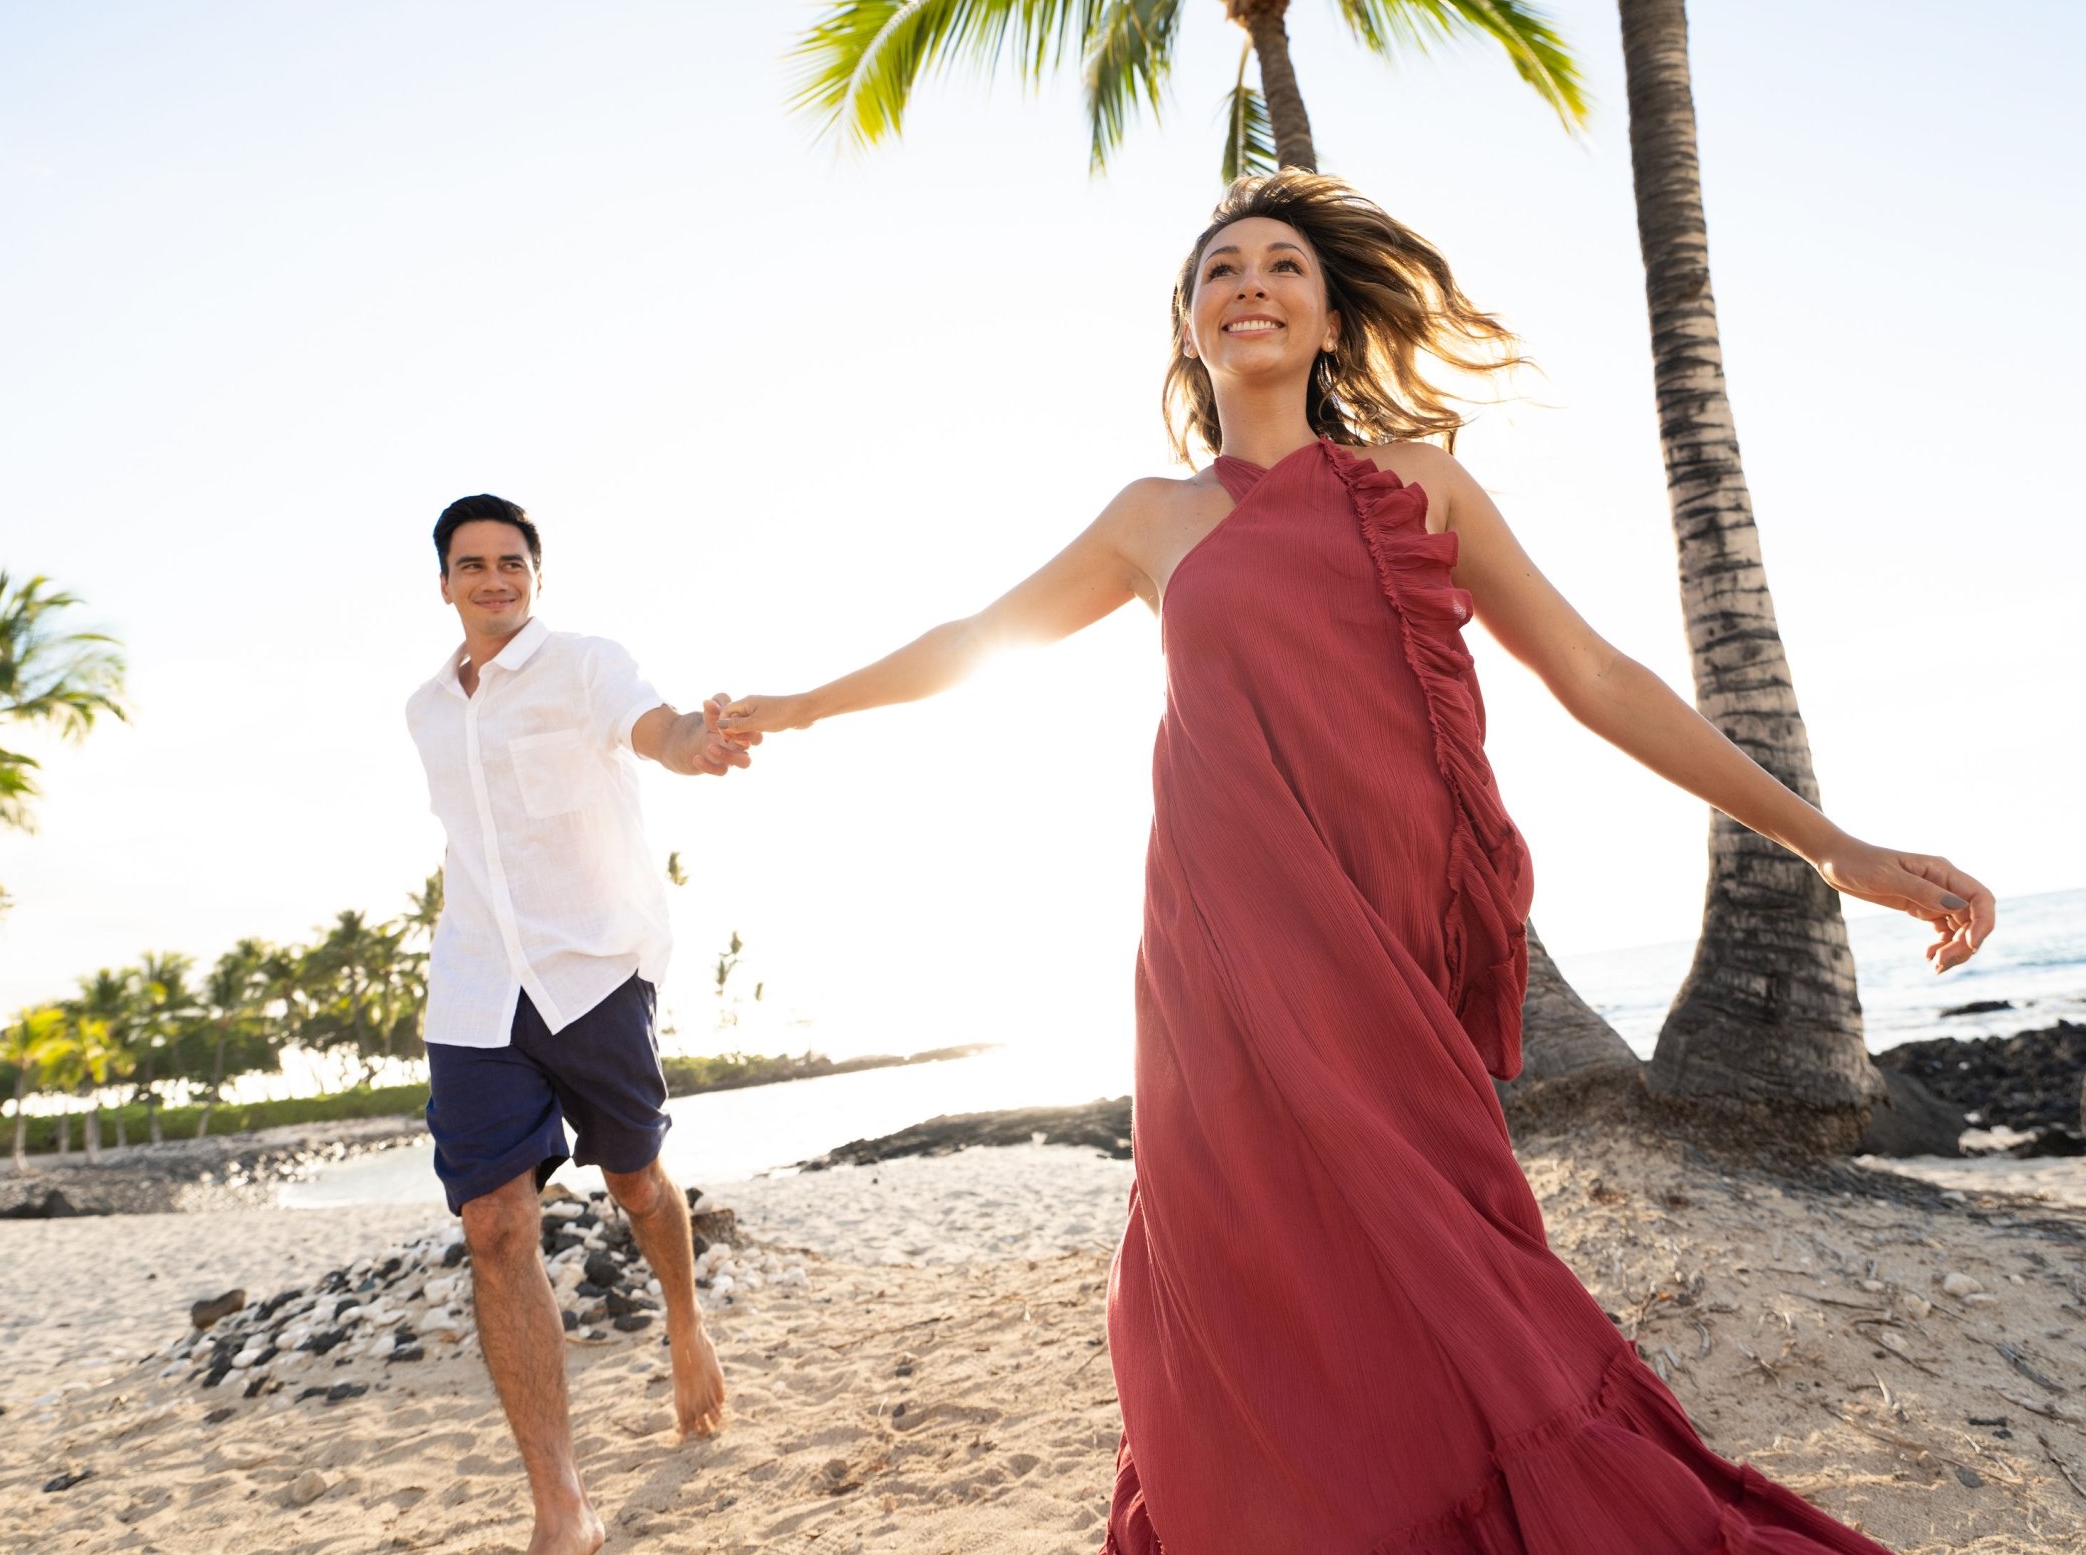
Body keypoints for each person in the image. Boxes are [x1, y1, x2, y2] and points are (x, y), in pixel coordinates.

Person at [719, 173, 1996, 1553]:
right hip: (1219, 950)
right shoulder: (1151, 519)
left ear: (1330, 321)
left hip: (1381, 945)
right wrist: (788, 708)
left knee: (1435, 1251)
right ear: (1191, 327)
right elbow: (974, 639)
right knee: (1235, 1259)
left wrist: (1832, 843)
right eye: (1221, 270)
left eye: (1282, 266)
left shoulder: (1423, 487)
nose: (1251, 284)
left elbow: (1597, 674)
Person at [406, 492, 745, 1555]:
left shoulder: (587, 665)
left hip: (594, 971)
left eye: (512, 562)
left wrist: (696, 742)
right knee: (493, 1226)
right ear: (444, 581)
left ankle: (685, 1325)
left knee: (637, 1184)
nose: (494, 578)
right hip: (473, 988)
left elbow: (656, 729)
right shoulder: (424, 709)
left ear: (536, 575)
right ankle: (561, 1506)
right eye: (474, 564)